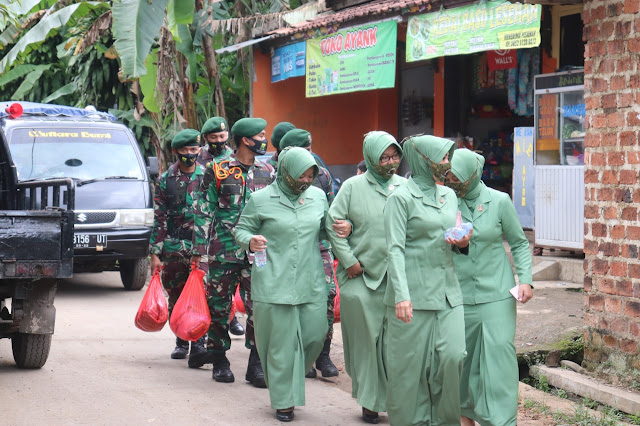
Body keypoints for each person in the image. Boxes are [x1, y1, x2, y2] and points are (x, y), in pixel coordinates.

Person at [233, 147, 329, 422]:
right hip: (273, 281)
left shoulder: (318, 197)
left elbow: (326, 230)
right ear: (286, 172)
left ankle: (290, 382)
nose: (307, 181)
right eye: (302, 175)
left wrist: (344, 229)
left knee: (314, 336)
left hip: (309, 280)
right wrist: (250, 241)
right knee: (279, 346)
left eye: (311, 175)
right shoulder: (262, 199)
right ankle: (284, 401)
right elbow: (241, 229)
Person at [383, 134, 471, 426]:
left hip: (447, 293)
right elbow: (394, 249)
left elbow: (454, 234)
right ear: (423, 159)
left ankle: (444, 421)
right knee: (409, 370)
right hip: (413, 295)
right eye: (443, 158)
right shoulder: (400, 198)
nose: (447, 164)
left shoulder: (449, 195)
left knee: (453, 357)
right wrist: (401, 295)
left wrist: (462, 242)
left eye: (448, 157)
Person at [444, 148, 533, 426]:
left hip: (497, 293)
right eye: (448, 177)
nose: (451, 182)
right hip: (458, 295)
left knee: (500, 360)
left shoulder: (499, 201)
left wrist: (526, 279)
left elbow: (518, 242)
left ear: (472, 175)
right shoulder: (446, 202)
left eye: (456, 177)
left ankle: (503, 421)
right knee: (462, 361)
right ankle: (465, 417)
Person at [326, 131, 406, 424]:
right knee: (366, 343)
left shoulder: (404, 186)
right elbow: (332, 224)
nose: (390, 162)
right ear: (370, 158)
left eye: (394, 156)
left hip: (396, 278)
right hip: (360, 277)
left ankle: (394, 398)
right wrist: (349, 261)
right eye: (383, 157)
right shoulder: (352, 187)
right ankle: (370, 401)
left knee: (392, 343)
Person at [189, 117, 276, 388]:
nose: (265, 139)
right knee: (219, 306)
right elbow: (204, 210)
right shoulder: (218, 169)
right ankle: (219, 359)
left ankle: (256, 363)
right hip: (223, 249)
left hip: (258, 252)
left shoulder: (268, 171)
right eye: (260, 135)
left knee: (259, 306)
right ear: (245, 140)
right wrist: (199, 251)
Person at [279, 128, 340, 378]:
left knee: (327, 298)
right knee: (293, 301)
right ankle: (299, 354)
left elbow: (331, 214)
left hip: (319, 246)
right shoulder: (278, 176)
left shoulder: (321, 176)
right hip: (289, 249)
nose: (309, 154)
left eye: (310, 148)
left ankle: (322, 355)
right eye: (304, 150)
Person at [149, 129, 208, 360]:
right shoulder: (165, 180)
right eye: (185, 150)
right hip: (174, 248)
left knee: (201, 295)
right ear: (176, 152)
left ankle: (199, 342)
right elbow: (159, 217)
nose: (190, 154)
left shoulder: (208, 176)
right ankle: (181, 340)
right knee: (176, 294)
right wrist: (155, 253)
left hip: (201, 249)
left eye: (194, 149)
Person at [197, 116, 244, 337]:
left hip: (232, 232)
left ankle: (231, 317)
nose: (218, 140)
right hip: (203, 228)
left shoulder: (233, 159)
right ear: (206, 138)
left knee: (230, 281)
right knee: (211, 283)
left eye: (222, 136)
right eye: (213, 137)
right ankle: (201, 326)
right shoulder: (197, 160)